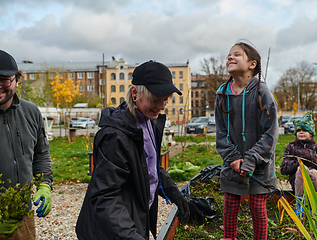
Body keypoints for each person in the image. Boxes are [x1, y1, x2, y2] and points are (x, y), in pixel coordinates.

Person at [76, 60, 189, 240]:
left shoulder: (148, 121)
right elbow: (106, 196)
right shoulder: (115, 136)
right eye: (155, 100)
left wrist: (175, 194)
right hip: (110, 230)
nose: (162, 106)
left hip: (133, 220)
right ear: (135, 93)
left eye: (165, 99)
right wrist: (132, 236)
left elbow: (149, 167)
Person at [215, 41, 279, 240]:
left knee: (257, 208)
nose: (230, 58)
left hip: (260, 165)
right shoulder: (222, 95)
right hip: (232, 163)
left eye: (237, 55)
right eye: (228, 55)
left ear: (252, 64)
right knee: (230, 206)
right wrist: (233, 158)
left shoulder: (263, 94)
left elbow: (270, 133)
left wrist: (251, 159)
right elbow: (221, 131)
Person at [0, 50, 53, 240]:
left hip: (23, 219)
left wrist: (44, 185)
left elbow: (40, 154)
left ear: (17, 79)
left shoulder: (31, 112)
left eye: (4, 79)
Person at [280, 110, 317, 216]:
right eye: (298, 130)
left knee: (313, 172)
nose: (301, 132)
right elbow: (283, 169)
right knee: (301, 170)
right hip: (298, 181)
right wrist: (299, 165)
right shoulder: (291, 148)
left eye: (305, 130)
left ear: (311, 133)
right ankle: (300, 207)